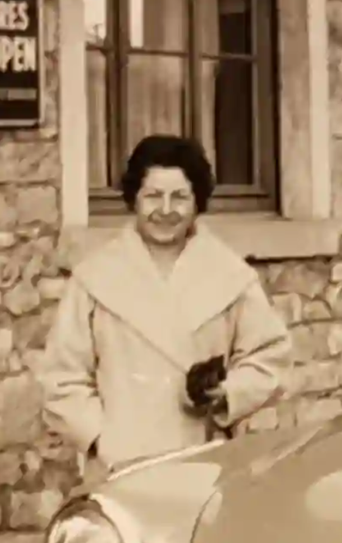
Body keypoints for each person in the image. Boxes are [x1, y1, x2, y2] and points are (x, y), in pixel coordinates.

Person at [37, 134, 292, 481]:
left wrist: (228, 394)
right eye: (153, 196)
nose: (166, 210)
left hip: (206, 464)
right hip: (121, 469)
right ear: (134, 199)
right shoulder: (95, 278)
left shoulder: (230, 275)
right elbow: (62, 378)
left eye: (180, 197)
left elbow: (270, 358)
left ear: (197, 202)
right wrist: (100, 441)